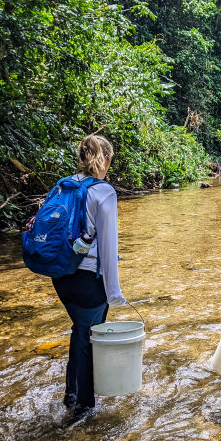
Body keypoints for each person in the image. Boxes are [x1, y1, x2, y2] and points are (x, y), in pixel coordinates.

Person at [52, 134, 126, 416]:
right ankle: (83, 407)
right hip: (86, 281)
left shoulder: (64, 185)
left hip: (61, 275)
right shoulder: (103, 191)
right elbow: (108, 247)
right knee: (88, 336)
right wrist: (114, 292)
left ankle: (71, 394)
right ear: (104, 159)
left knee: (79, 330)